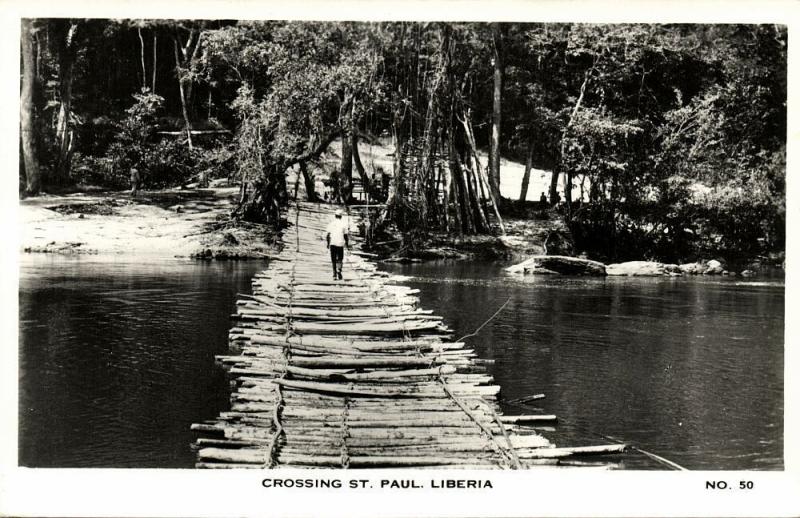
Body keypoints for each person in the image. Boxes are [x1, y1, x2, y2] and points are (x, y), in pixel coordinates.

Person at [326, 209, 349, 280]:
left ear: (335, 216)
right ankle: (339, 269)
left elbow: (328, 235)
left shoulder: (331, 224)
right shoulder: (344, 224)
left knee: (333, 259)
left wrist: (328, 243)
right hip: (340, 243)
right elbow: (345, 235)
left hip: (333, 243)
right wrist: (347, 244)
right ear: (341, 216)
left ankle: (334, 274)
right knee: (340, 258)